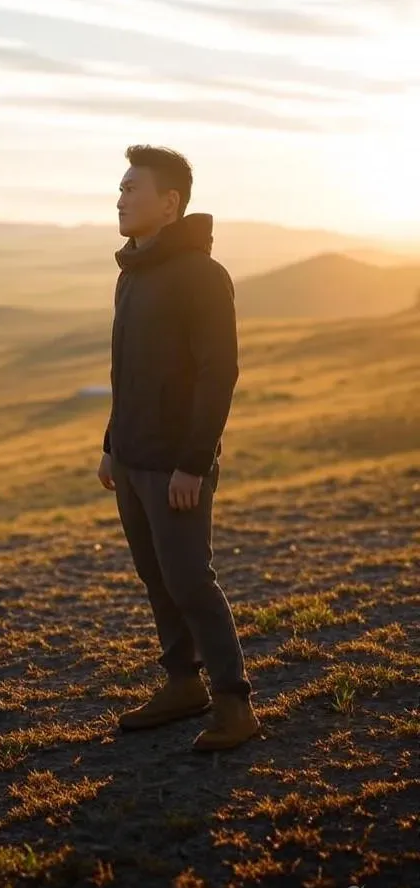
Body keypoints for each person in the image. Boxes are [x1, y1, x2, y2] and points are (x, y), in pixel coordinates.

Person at [97, 144, 260, 751]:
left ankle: (234, 704)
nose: (119, 198)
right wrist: (113, 444)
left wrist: (193, 463)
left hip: (176, 465)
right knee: (156, 577)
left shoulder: (202, 275)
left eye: (131, 189)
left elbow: (219, 373)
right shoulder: (131, 273)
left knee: (190, 578)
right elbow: (125, 371)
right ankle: (181, 685)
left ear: (169, 204)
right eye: (119, 188)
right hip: (134, 459)